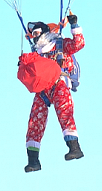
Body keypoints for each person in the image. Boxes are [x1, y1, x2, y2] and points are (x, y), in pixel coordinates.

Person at [24, 14, 85, 172]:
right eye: (33, 34)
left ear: (44, 32)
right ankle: (33, 161)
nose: (35, 37)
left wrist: (75, 26)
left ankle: (74, 148)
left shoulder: (59, 44)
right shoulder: (35, 53)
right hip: (43, 88)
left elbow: (78, 44)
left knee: (64, 112)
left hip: (59, 83)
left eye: (37, 33)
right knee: (34, 121)